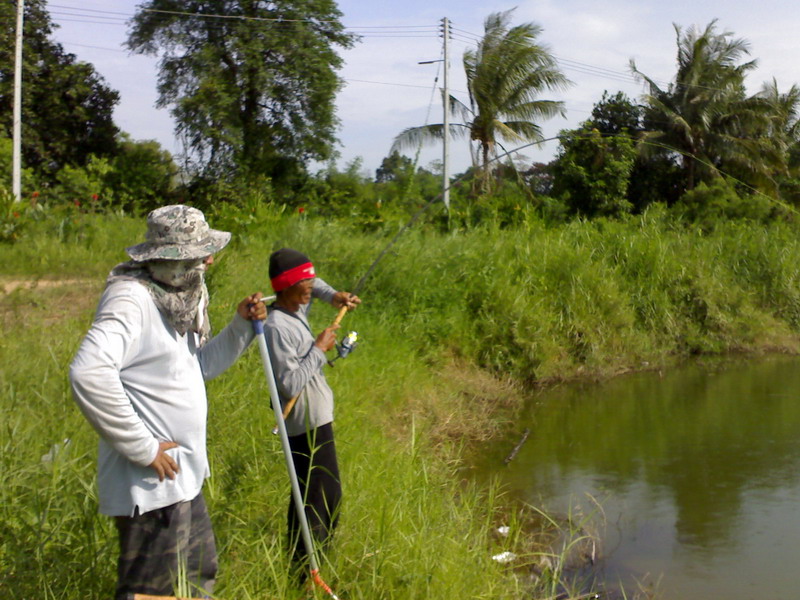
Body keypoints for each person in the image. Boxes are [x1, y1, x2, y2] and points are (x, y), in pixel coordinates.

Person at [69, 205, 266, 600]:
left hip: (183, 478)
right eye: (198, 254)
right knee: (150, 593)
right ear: (169, 258)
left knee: (197, 578)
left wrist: (240, 326)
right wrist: (142, 448)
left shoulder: (176, 299)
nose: (209, 261)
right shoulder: (131, 300)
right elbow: (88, 371)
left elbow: (197, 367)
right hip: (150, 485)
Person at [263, 248, 360, 577]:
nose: (309, 287)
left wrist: (336, 296)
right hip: (304, 425)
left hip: (318, 418)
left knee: (326, 498)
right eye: (302, 282)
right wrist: (319, 350)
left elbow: (315, 282)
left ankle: (313, 567)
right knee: (316, 502)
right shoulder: (276, 326)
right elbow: (289, 384)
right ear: (286, 287)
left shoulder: (297, 304)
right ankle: (303, 575)